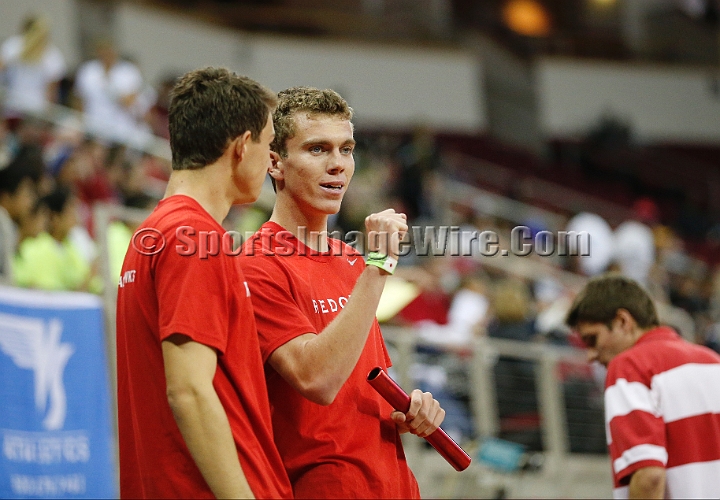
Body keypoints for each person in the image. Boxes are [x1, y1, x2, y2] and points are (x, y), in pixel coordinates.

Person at [239, 87, 445, 498]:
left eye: (346, 149)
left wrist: (410, 409)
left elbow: (368, 386)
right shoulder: (255, 263)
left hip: (395, 484)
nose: (337, 165)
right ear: (275, 163)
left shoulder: (352, 261)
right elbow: (317, 379)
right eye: (318, 149)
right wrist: (380, 265)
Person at [115, 67, 292, 499]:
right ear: (242, 146)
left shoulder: (152, 234)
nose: (273, 162)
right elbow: (190, 391)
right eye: (269, 145)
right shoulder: (197, 239)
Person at [566, 273, 720, 499]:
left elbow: (649, 477)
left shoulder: (628, 366)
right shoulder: (713, 362)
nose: (590, 355)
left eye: (592, 339)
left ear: (622, 322)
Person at [74, 39, 153, 148]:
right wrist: (81, 121)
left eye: (109, 52)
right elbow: (79, 99)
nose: (107, 55)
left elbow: (129, 102)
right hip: (93, 125)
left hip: (120, 129)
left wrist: (110, 85)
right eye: (103, 52)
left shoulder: (128, 72)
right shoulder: (88, 70)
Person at [0, 15, 66, 118]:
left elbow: (51, 91)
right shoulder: (52, 54)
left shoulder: (13, 46)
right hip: (28, 107)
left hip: (20, 106)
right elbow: (52, 92)